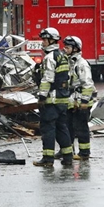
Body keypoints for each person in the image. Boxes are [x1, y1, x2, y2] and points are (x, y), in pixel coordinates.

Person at [33, 27, 74, 167]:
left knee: (48, 129)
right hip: (62, 99)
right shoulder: (62, 55)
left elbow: (47, 79)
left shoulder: (50, 57)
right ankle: (68, 157)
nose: (42, 42)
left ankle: (47, 159)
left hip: (52, 100)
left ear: (51, 40)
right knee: (62, 127)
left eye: (44, 40)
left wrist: (42, 97)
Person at [63, 35, 96, 161]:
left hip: (81, 102)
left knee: (81, 128)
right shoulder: (69, 62)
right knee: (68, 127)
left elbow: (88, 84)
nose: (64, 49)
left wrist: (84, 102)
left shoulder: (82, 64)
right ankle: (68, 151)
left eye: (67, 47)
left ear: (75, 49)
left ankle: (84, 153)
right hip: (71, 102)